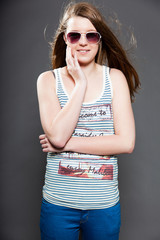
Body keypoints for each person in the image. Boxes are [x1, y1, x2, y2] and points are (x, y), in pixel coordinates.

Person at [37, 1, 140, 240]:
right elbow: (57, 136)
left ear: (99, 39)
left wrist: (68, 144)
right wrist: (80, 84)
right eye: (75, 35)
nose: (83, 42)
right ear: (65, 39)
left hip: (103, 206)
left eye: (90, 36)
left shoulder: (114, 79)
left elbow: (126, 143)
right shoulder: (48, 81)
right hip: (58, 205)